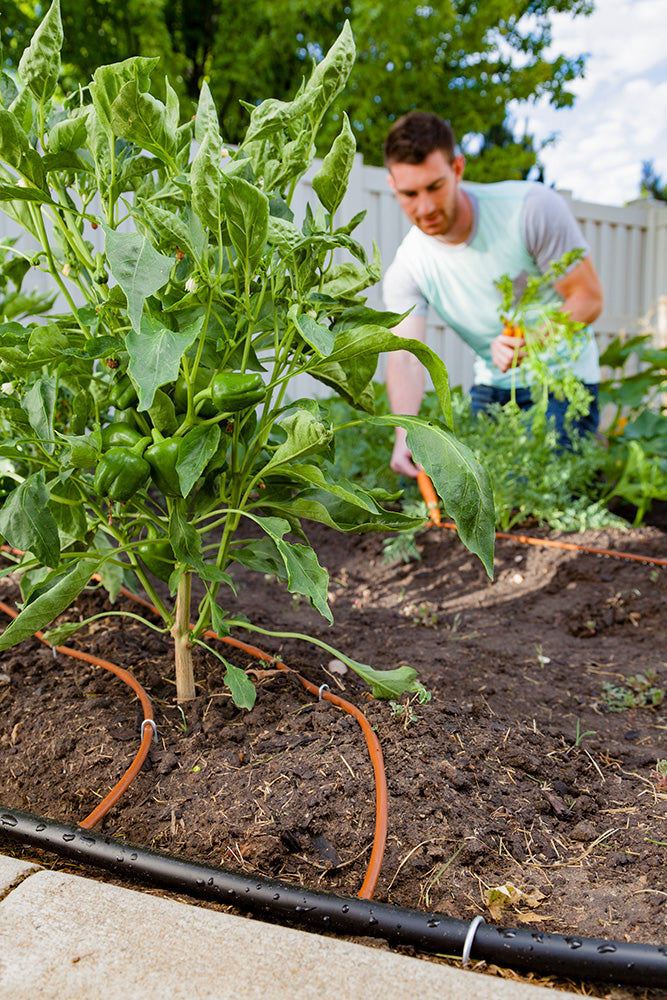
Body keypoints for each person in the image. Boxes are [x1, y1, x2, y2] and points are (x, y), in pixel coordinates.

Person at [382, 111, 604, 478]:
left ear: (457, 168)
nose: (424, 208)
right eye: (409, 193)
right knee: (473, 493)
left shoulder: (530, 210)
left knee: (544, 499)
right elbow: (406, 357)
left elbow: (589, 297)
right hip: (491, 384)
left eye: (434, 187)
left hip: (562, 382)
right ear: (393, 186)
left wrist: (533, 339)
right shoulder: (408, 266)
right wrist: (406, 432)